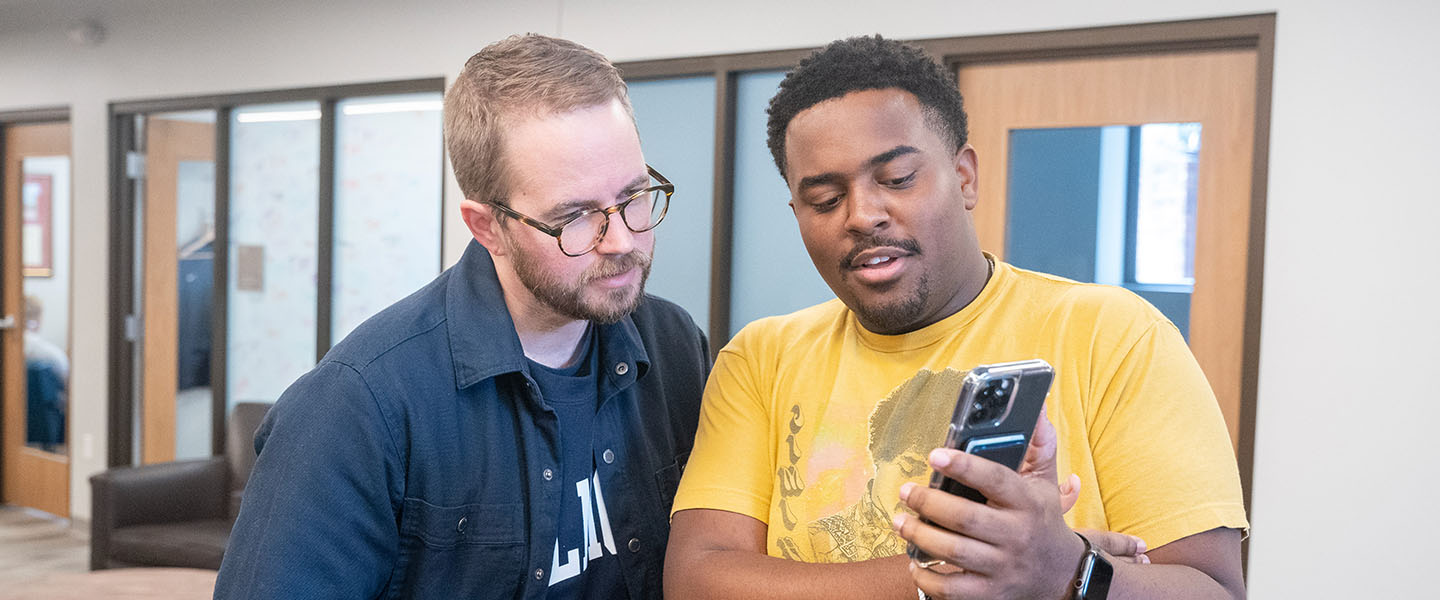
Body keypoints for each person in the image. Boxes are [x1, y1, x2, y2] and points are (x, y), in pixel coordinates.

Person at [665, 35, 1248, 600]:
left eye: (897, 179)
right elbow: (697, 581)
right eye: (824, 200)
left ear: (964, 177)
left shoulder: (1114, 335)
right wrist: (978, 567)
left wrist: (1068, 572)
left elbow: (1213, 589)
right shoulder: (762, 358)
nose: (863, 214)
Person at [215, 34, 709, 600]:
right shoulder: (356, 406)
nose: (622, 239)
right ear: (487, 227)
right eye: (574, 217)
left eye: (633, 195)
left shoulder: (675, 347)